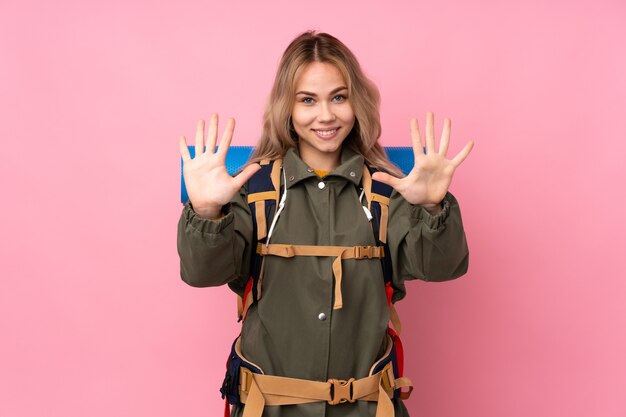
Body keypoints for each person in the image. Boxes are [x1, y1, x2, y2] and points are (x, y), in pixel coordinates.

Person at [177, 30, 474, 417]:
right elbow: (202, 273)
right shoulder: (253, 189)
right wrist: (205, 213)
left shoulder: (388, 191)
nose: (326, 115)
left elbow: (441, 268)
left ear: (357, 102)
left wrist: (433, 208)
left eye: (339, 97)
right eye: (307, 100)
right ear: (287, 108)